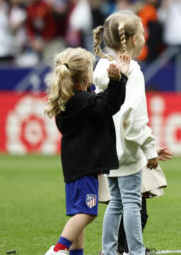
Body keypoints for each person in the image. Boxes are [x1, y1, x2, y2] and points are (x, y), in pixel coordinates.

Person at [44, 48, 129, 255]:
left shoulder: (71, 101)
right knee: (86, 212)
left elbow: (99, 103)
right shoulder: (83, 101)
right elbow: (108, 105)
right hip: (84, 166)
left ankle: (74, 252)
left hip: (74, 166)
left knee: (78, 213)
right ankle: (58, 249)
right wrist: (119, 79)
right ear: (85, 76)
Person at [93, 10, 159, 255]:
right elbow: (135, 115)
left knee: (116, 203)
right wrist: (149, 148)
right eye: (142, 32)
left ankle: (108, 251)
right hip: (127, 147)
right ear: (133, 40)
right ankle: (136, 251)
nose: (144, 36)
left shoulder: (102, 68)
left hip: (108, 147)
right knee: (131, 201)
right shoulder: (134, 72)